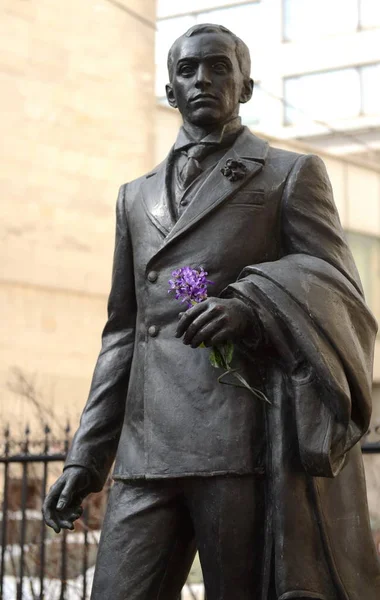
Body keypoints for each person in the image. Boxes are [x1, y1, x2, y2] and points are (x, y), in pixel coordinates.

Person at [43, 24, 380, 600]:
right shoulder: (135, 196)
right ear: (171, 91)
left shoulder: (288, 175)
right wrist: (86, 459)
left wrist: (253, 305)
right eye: (188, 70)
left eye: (220, 67)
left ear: (245, 86)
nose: (203, 79)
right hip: (146, 452)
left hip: (237, 447)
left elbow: (339, 286)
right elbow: (123, 334)